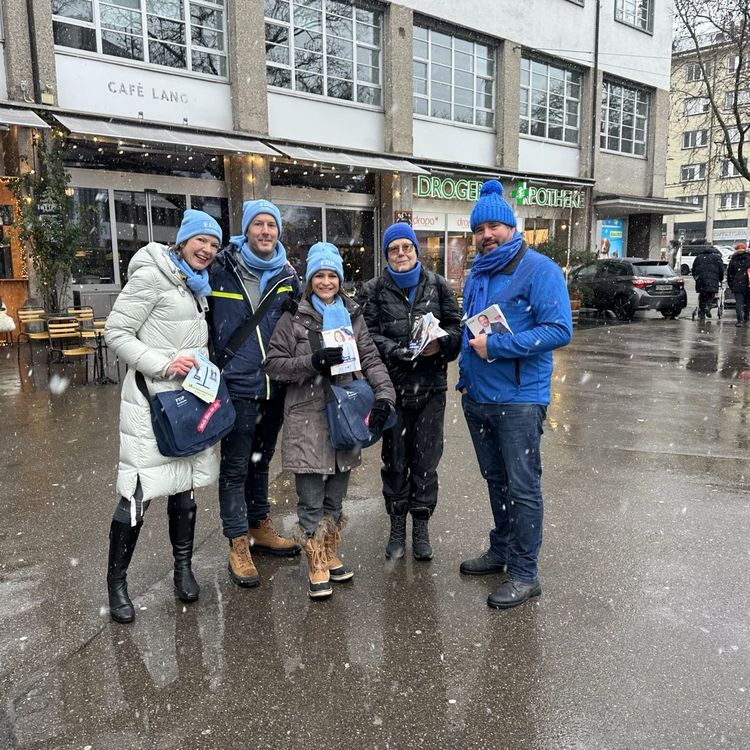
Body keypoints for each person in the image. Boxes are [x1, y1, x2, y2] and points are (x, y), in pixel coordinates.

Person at [104, 209, 223, 624]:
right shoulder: (153, 276)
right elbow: (115, 332)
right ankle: (117, 584)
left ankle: (182, 568)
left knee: (184, 489)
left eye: (214, 244)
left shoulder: (196, 285)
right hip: (152, 403)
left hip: (188, 402)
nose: (207, 249)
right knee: (137, 493)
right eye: (201, 240)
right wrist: (163, 364)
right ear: (183, 241)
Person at [458, 180, 573, 610]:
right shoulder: (478, 272)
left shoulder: (539, 269)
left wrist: (499, 346)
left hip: (520, 400)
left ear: (510, 227)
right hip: (479, 398)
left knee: (523, 487)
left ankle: (525, 573)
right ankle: (502, 548)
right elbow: (472, 329)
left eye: (494, 227)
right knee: (496, 480)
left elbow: (559, 330)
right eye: (479, 229)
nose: (486, 235)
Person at [265, 243, 395, 598]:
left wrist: (385, 396)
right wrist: (312, 362)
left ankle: (329, 548)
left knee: (336, 498)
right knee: (310, 499)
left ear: (340, 279)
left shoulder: (353, 316)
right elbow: (274, 365)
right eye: (319, 275)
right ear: (310, 280)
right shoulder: (293, 318)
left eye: (332, 275)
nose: (326, 282)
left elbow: (371, 359)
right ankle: (315, 560)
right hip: (307, 418)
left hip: (345, 416)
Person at [208, 199, 301, 588]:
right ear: (245, 230)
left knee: (261, 462)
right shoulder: (220, 270)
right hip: (237, 386)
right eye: (258, 224)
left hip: (274, 386)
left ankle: (259, 525)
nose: (265, 231)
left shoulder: (288, 276)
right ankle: (237, 541)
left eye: (271, 225)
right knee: (235, 467)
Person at [359, 222, 461, 561]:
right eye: (394, 249)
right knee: (395, 460)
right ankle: (396, 525)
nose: (401, 253)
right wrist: (394, 351)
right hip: (392, 388)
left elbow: (456, 328)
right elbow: (367, 335)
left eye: (406, 247)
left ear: (416, 251)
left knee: (426, 461)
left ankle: (421, 525)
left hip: (431, 387)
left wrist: (441, 344)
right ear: (386, 254)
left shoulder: (438, 285)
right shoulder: (373, 290)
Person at [691, 246, 724, 320]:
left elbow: (694, 269)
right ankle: (708, 306)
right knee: (711, 294)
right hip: (713, 280)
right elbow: (721, 270)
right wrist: (720, 279)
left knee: (702, 296)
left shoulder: (698, 258)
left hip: (701, 280)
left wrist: (696, 277)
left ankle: (701, 314)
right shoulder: (717, 258)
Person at [726, 242, 750, 327]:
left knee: (739, 303)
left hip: (737, 284)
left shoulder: (733, 260)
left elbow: (729, 274)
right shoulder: (749, 258)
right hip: (748, 283)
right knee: (747, 301)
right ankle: (746, 317)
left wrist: (731, 285)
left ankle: (740, 320)